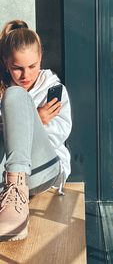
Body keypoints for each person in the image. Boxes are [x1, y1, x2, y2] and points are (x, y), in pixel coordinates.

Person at [0, 20, 72, 241]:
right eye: (17, 68)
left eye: (32, 66)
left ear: (40, 58)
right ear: (5, 63)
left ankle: (17, 192)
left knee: (16, 95)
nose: (25, 75)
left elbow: (59, 134)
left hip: (45, 170)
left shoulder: (53, 89)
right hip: (5, 172)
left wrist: (34, 121)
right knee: (14, 95)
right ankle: (12, 193)